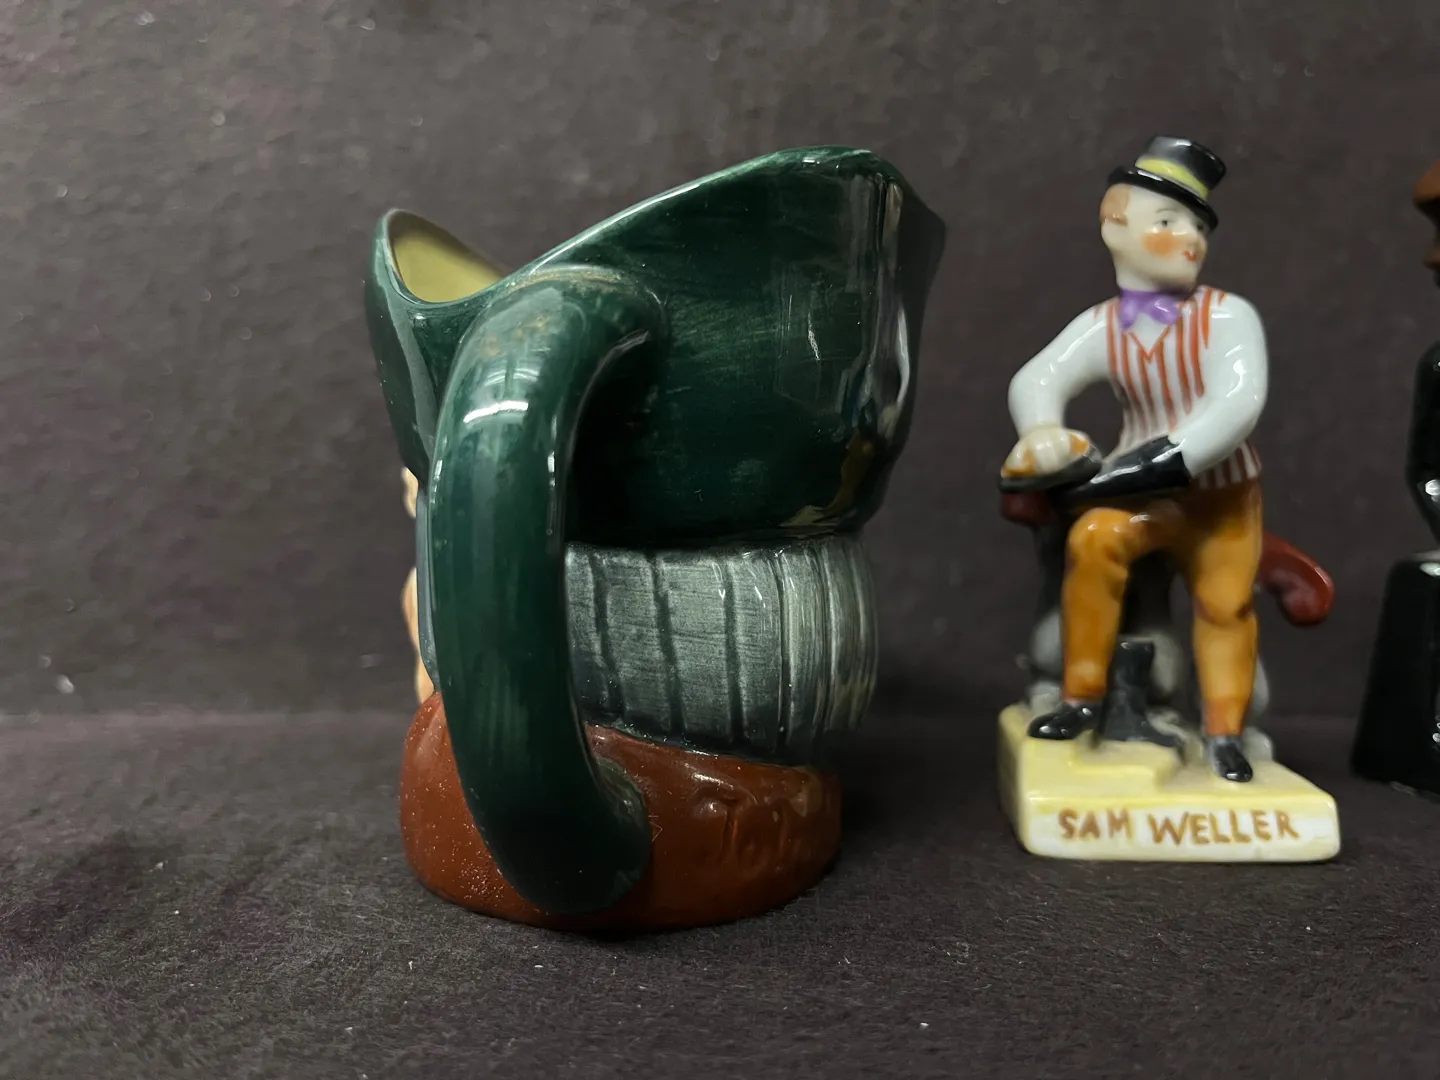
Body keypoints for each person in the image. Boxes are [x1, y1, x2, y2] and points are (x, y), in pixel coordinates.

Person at [1002, 136, 1268, 782]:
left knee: (1225, 603)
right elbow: (1037, 378)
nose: (1192, 239)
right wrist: (1042, 431)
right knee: (1094, 541)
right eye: (1170, 221)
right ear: (1115, 225)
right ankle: (1081, 696)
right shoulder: (1102, 326)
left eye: (1199, 227)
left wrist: (1153, 463)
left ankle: (1225, 731)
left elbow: (1237, 403)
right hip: (1141, 498)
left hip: (1220, 499)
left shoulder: (1228, 317)